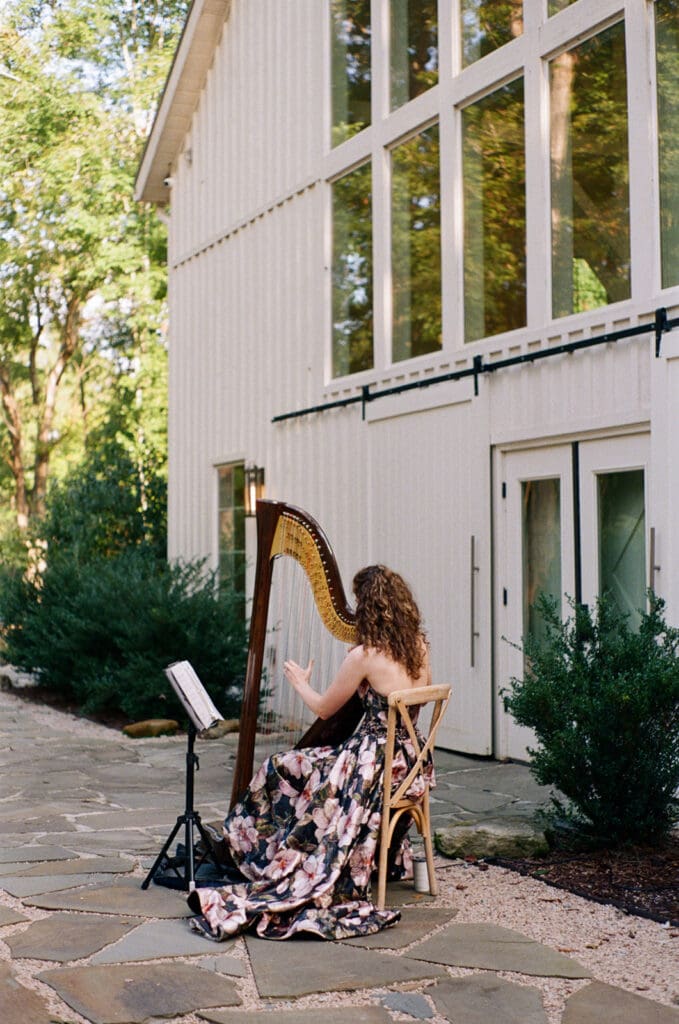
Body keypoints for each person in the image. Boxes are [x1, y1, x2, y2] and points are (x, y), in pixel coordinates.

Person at [186, 564, 433, 942]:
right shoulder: (418, 646)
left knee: (280, 767)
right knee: (310, 769)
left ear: (366, 608)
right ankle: (281, 849)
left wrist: (301, 682)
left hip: (369, 764)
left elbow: (323, 709)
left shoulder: (364, 656)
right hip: (411, 761)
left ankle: (261, 854)